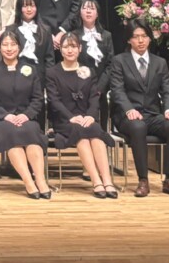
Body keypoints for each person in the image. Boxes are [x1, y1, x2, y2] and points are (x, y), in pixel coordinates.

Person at [109, 21, 169, 198]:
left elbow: (167, 91)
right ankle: (143, 180)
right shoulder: (119, 61)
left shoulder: (160, 63)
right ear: (129, 40)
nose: (140, 40)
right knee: (138, 126)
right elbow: (117, 91)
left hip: (152, 114)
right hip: (128, 117)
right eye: (136, 37)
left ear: (150, 38)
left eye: (144, 36)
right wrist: (128, 109)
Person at [0, 29, 51, 199]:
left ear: (19, 47)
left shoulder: (30, 69)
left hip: (25, 118)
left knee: (32, 132)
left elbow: (37, 98)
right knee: (12, 133)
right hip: (1, 120)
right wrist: (6, 116)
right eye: (5, 44)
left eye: (13, 44)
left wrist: (26, 115)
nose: (9, 48)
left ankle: (40, 180)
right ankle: (28, 181)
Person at [47, 33, 118, 198]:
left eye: (73, 46)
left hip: (86, 118)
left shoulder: (88, 71)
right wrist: (70, 117)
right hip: (65, 120)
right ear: (60, 49)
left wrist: (91, 116)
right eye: (66, 47)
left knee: (95, 134)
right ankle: (96, 181)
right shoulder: (52, 72)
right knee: (82, 135)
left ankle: (107, 180)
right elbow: (54, 100)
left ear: (80, 49)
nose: (69, 50)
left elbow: (94, 97)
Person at [77, 0, 115, 94]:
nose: (88, 11)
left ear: (97, 14)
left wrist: (100, 87)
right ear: (80, 13)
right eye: (85, 8)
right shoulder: (74, 36)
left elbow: (110, 64)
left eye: (92, 8)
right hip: (80, 86)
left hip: (101, 89)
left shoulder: (106, 36)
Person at [14, 0, 55, 71]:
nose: (29, 9)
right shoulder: (12, 30)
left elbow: (49, 60)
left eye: (32, 6)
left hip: (39, 75)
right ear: (19, 8)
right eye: (25, 6)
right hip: (17, 75)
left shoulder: (45, 31)